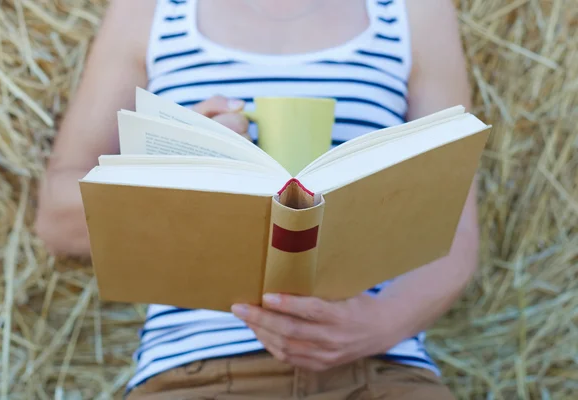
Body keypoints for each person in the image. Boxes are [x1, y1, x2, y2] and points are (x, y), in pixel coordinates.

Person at [35, 0, 478, 398]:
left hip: (381, 370)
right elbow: (57, 220)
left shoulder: (410, 12)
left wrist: (382, 325)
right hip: (194, 373)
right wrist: (169, 166)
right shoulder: (152, 12)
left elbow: (456, 226)